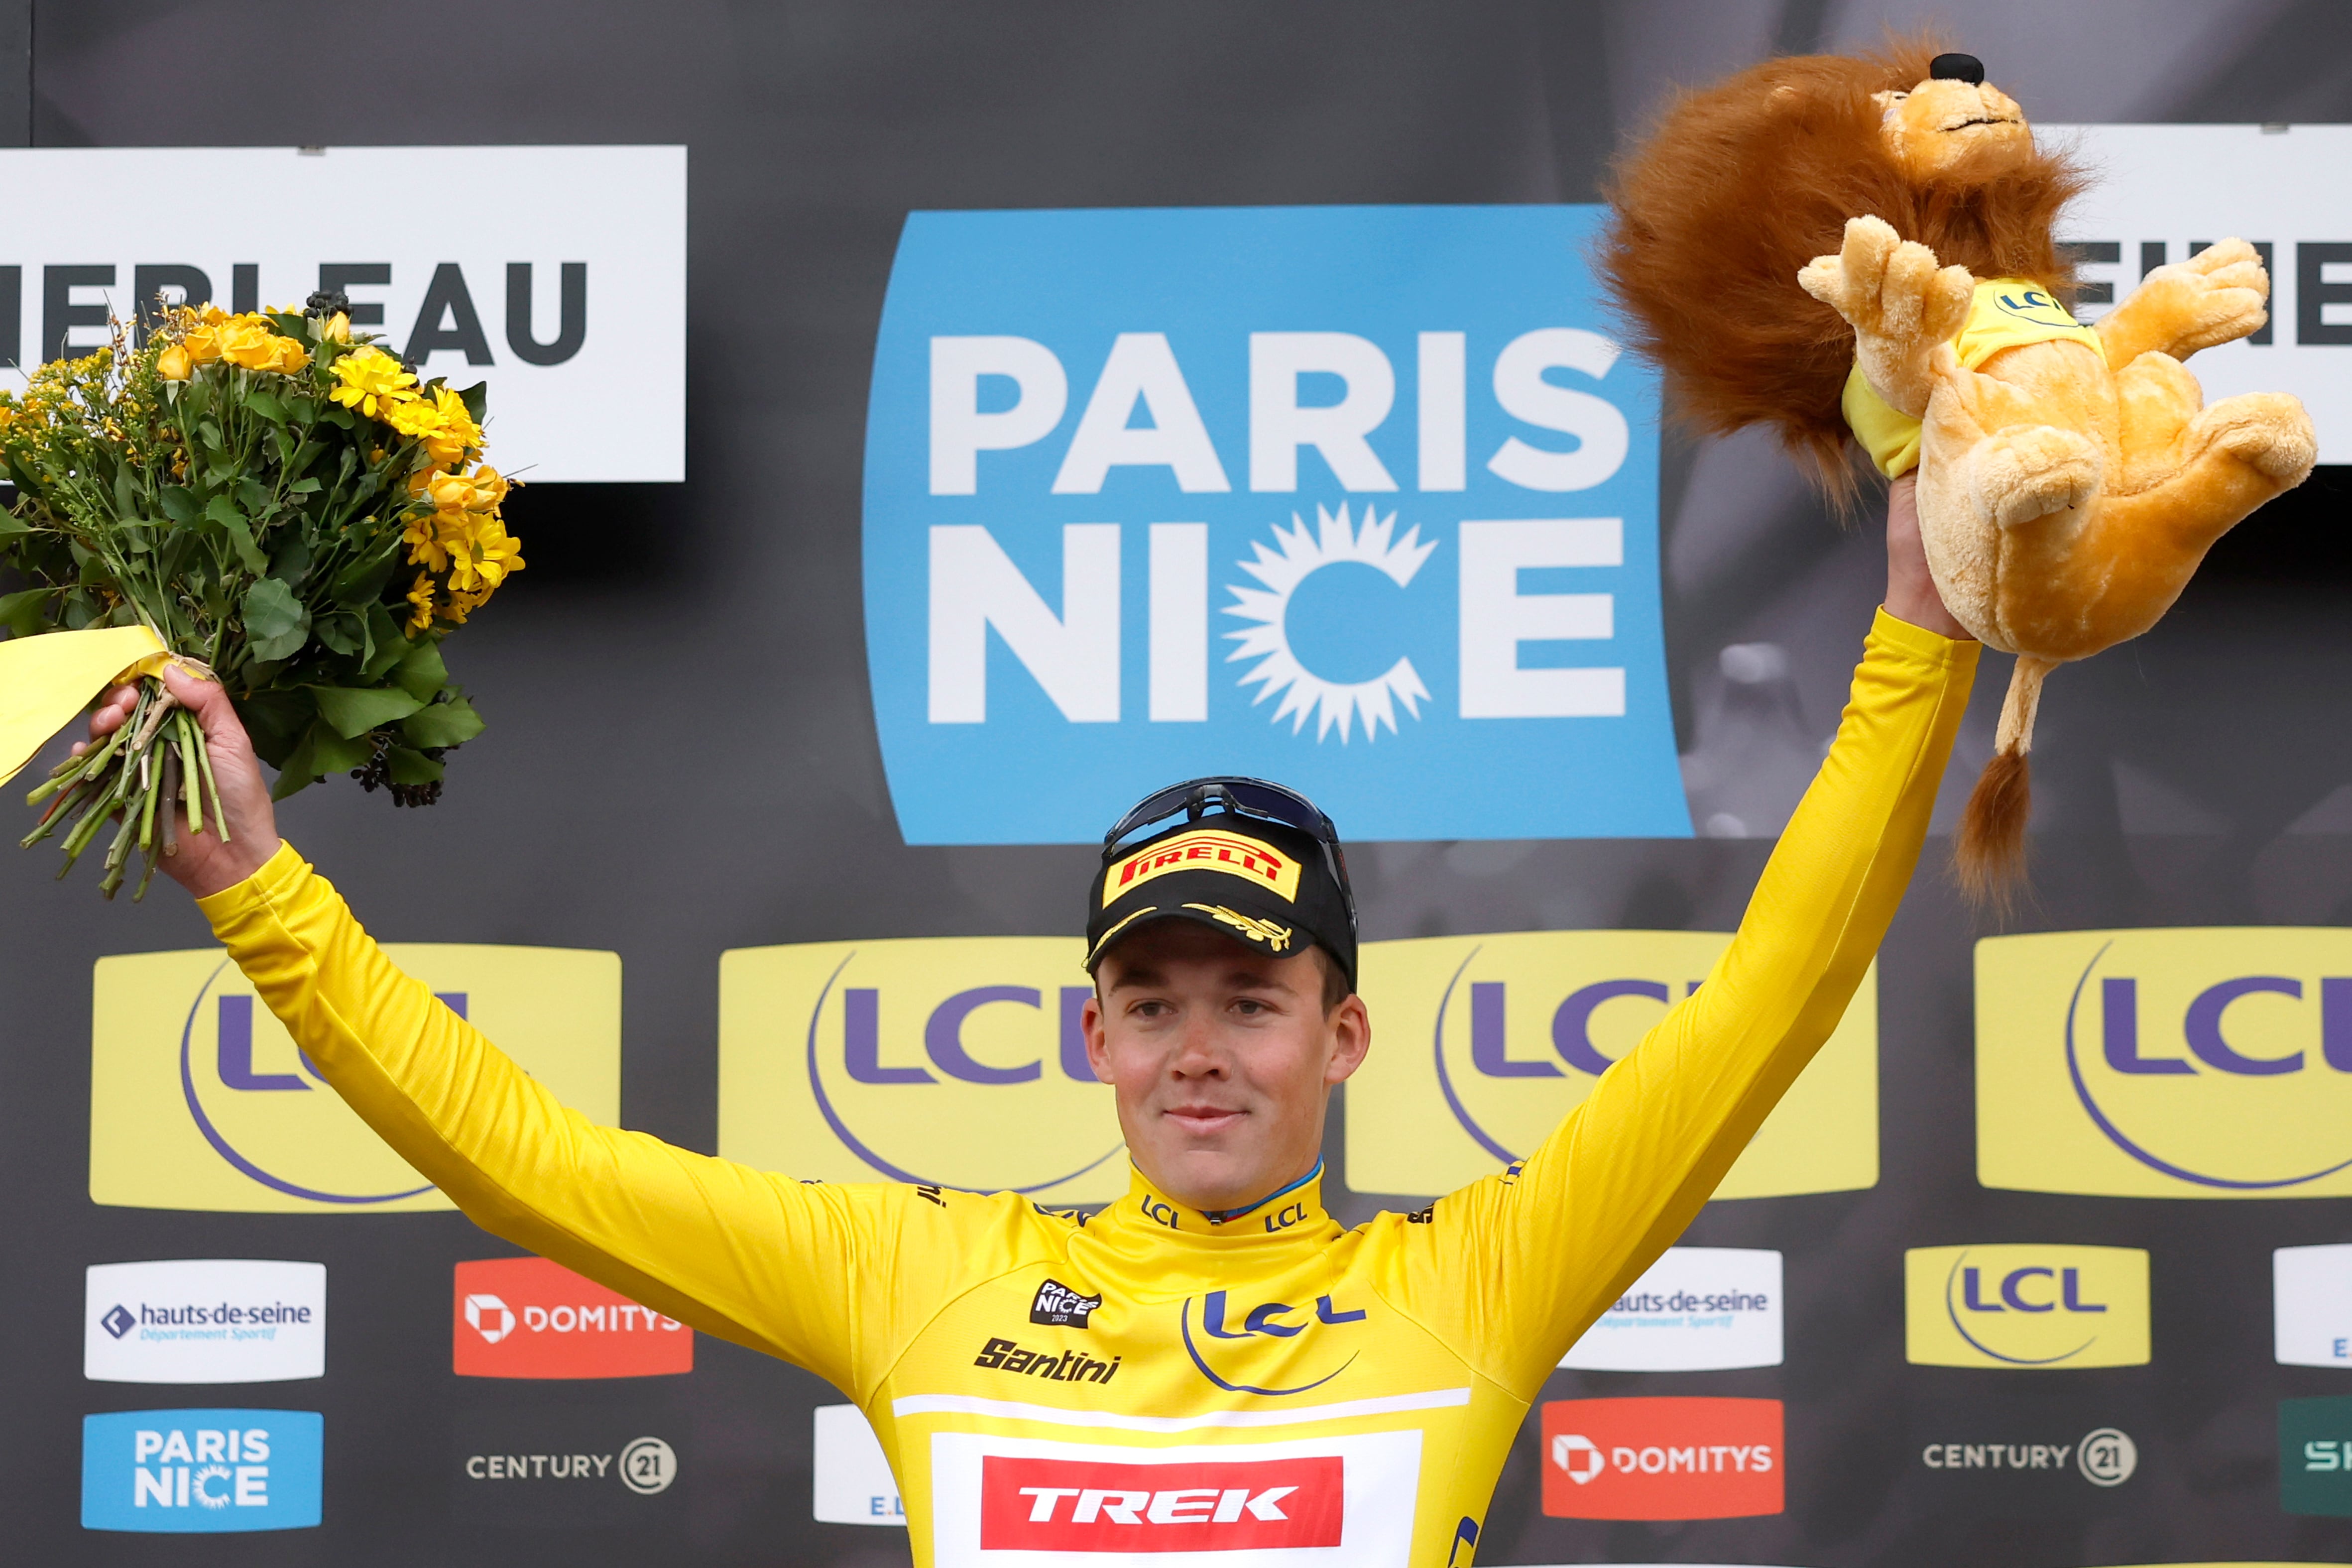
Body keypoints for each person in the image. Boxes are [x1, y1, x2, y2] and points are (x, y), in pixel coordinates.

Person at [102, 474, 1974, 1565]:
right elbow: (525, 1161)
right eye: (1150, 1001)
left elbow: (1768, 991)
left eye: (1252, 999)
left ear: (1342, 1035)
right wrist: (256, 887)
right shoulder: (925, 1277)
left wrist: (1914, 640)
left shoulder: (1477, 1278)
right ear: (1088, 1040)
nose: (1196, 1049)